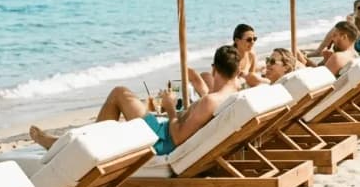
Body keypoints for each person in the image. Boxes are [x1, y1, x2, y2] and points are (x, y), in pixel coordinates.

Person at [30, 45, 242, 156]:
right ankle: (77, 144)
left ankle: (76, 148)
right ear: (237, 71)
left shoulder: (211, 101)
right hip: (164, 130)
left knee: (119, 93)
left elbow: (178, 138)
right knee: (125, 97)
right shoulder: (234, 94)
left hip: (162, 139)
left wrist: (170, 108)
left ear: (214, 69)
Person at [189, 24, 262, 97]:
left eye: (254, 39)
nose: (252, 42)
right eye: (249, 40)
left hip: (240, 91)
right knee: (205, 75)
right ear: (237, 40)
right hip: (223, 89)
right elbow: (215, 77)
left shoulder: (251, 56)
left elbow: (252, 79)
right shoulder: (227, 55)